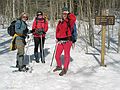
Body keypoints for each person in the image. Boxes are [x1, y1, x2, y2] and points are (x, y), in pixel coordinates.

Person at [53, 7, 76, 76]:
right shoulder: (60, 21)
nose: (64, 14)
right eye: (63, 13)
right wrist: (57, 38)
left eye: (65, 13)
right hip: (60, 41)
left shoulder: (70, 21)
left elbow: (74, 18)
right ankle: (59, 66)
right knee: (57, 55)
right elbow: (57, 30)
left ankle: (65, 68)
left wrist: (69, 13)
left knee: (66, 55)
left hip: (67, 41)